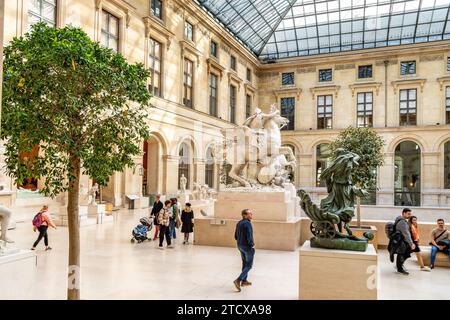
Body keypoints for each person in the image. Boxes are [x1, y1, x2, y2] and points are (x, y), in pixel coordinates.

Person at [388, 208, 415, 275]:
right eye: (408, 214)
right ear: (403, 213)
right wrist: (411, 243)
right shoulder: (402, 222)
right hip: (401, 240)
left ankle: (399, 267)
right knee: (402, 254)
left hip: (399, 240)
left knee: (402, 253)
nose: (409, 215)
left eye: (410, 214)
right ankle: (400, 268)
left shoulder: (399, 219)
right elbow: (406, 233)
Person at [233, 209, 255, 292]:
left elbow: (235, 236)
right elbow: (249, 236)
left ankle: (244, 281)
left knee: (245, 263)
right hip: (247, 247)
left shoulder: (239, 223)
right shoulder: (247, 223)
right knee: (249, 265)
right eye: (250, 214)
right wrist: (251, 244)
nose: (251, 215)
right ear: (244, 215)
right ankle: (238, 280)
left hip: (240, 245)